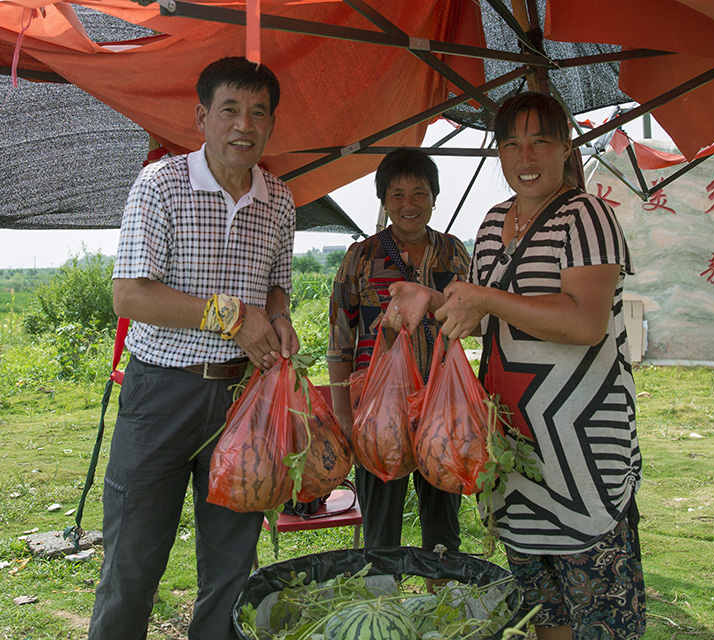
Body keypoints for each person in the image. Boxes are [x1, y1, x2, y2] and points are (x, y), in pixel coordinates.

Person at [386, 92, 646, 640]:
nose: (525, 156)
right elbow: (484, 318)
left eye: (540, 141)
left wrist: (486, 299)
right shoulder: (492, 223)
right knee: (541, 609)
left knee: (597, 611)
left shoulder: (588, 215)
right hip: (513, 445)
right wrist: (429, 299)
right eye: (510, 143)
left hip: (582, 449)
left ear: (565, 147)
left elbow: (585, 322)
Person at [88, 57, 299, 640]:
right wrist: (232, 315)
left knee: (233, 566)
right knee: (133, 558)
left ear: (271, 125)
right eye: (229, 109)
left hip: (242, 398)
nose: (243, 125)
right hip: (161, 392)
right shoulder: (161, 184)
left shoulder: (279, 199)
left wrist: (278, 321)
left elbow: (276, 285)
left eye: (258, 113)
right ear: (202, 116)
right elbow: (130, 295)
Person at [326, 148, 470, 565]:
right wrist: (346, 421)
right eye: (398, 194)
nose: (409, 204)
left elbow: (479, 319)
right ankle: (382, 606)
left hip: (442, 412)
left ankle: (442, 600)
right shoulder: (361, 258)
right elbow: (340, 343)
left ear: (434, 197)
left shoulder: (454, 254)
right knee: (380, 534)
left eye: (420, 193)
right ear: (384, 201)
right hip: (378, 415)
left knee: (444, 532)